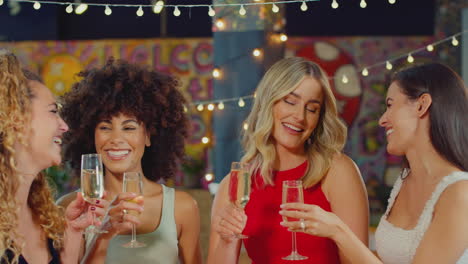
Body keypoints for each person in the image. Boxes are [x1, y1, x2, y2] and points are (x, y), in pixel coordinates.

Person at [280, 62, 468, 263]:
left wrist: (339, 231)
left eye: (390, 105)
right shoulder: (404, 181)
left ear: (422, 105)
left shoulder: (460, 193)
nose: (382, 120)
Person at [207, 57, 369, 264]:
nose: (299, 116)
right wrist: (227, 238)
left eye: (311, 109)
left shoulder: (337, 171)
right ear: (268, 102)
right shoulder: (236, 184)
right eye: (290, 101)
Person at [58, 58, 202, 264]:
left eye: (129, 127)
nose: (116, 140)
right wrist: (103, 236)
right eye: (105, 127)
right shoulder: (69, 208)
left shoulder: (183, 207)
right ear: (91, 136)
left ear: (149, 136)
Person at [0, 51, 104, 264]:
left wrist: (73, 238)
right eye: (52, 111)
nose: (64, 126)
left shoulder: (44, 217)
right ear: (16, 118)